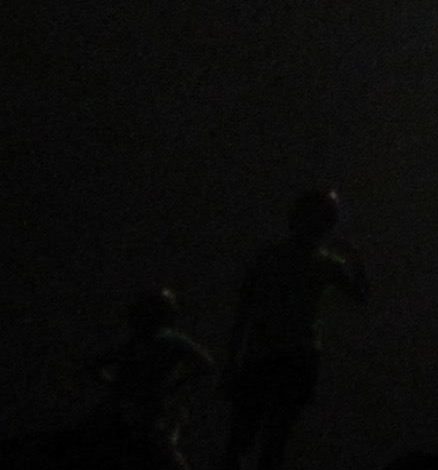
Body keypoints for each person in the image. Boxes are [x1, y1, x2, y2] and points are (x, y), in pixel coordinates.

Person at [221, 189, 368, 470]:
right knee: (268, 437)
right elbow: (360, 295)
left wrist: (233, 360)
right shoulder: (317, 261)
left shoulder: (275, 257)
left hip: (273, 355)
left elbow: (244, 312)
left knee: (251, 437)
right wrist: (356, 259)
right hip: (290, 356)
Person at [79, 289, 213, 470]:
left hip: (152, 411)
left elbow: (205, 365)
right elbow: (95, 365)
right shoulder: (135, 341)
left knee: (162, 452)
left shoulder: (171, 341)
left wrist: (172, 387)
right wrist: (117, 386)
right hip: (125, 408)